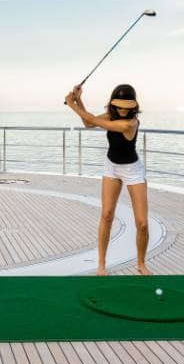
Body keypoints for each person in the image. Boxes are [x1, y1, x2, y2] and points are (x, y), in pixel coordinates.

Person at [65, 83, 152, 276]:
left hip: (133, 170)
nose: (122, 110)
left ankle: (141, 264)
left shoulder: (131, 123)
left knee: (142, 223)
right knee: (106, 215)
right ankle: (102, 266)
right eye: (119, 106)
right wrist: (79, 99)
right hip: (112, 166)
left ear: (133, 106)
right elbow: (89, 122)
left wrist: (72, 103)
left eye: (126, 107)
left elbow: (91, 119)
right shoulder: (112, 116)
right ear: (114, 105)